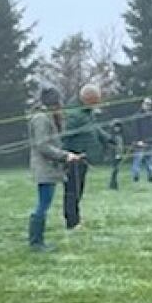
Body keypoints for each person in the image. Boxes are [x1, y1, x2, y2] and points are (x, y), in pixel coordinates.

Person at [27, 85, 81, 251]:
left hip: (49, 168)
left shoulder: (47, 117)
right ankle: (36, 242)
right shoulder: (41, 118)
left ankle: (37, 240)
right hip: (45, 168)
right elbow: (43, 146)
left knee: (44, 203)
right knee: (43, 204)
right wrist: (65, 156)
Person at [62, 84, 111, 230]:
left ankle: (75, 219)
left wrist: (107, 138)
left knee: (79, 190)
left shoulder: (86, 112)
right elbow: (64, 137)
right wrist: (64, 157)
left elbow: (94, 128)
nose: (97, 104)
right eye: (95, 101)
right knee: (72, 191)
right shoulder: (74, 115)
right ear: (87, 99)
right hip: (73, 159)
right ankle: (72, 222)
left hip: (83, 158)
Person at [131, 97, 152, 182]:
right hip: (141, 142)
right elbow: (135, 129)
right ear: (142, 104)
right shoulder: (137, 116)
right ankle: (135, 176)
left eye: (150, 104)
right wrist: (138, 140)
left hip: (151, 142)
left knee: (150, 160)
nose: (148, 106)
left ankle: (150, 176)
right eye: (146, 104)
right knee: (138, 160)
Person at [107, 120, 125, 190]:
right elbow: (111, 147)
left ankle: (114, 183)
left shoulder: (120, 136)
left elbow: (121, 146)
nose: (117, 128)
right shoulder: (111, 136)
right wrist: (115, 154)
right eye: (116, 127)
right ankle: (113, 184)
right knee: (114, 170)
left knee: (117, 170)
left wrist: (121, 153)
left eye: (118, 127)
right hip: (114, 155)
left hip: (119, 155)